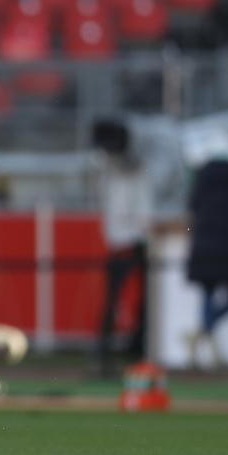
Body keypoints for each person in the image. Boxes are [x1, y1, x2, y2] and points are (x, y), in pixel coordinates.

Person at [92, 120, 152, 376]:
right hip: (121, 244)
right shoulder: (110, 169)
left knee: (141, 304)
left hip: (133, 243)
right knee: (113, 303)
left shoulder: (135, 169)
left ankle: (136, 349)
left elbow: (143, 208)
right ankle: (105, 354)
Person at [185, 158, 228, 368]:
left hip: (203, 246)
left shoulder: (202, 180)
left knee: (208, 295)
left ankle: (201, 334)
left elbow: (191, 209)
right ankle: (206, 336)